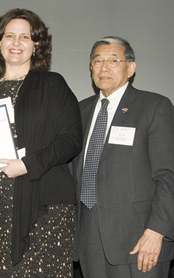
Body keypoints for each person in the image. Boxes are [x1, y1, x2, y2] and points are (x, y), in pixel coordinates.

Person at [0, 8, 82, 277]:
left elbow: (71, 139)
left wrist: (27, 165)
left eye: (25, 37)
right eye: (9, 36)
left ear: (36, 45)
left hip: (43, 210)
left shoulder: (52, 84)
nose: (16, 43)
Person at [72, 36, 174, 277]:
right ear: (91, 68)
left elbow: (168, 175)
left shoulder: (154, 107)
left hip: (139, 240)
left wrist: (156, 231)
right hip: (89, 241)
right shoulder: (80, 111)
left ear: (131, 68)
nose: (104, 67)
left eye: (113, 60)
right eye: (97, 61)